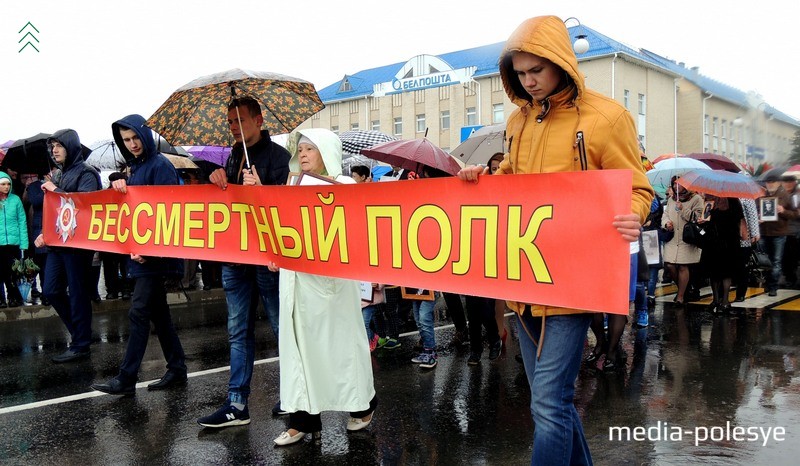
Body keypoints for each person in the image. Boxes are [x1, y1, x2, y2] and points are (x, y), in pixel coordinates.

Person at [457, 15, 653, 465]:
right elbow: (511, 180)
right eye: (520, 73)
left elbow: (639, 188)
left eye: (536, 71)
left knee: (547, 405)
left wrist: (634, 214)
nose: (529, 83)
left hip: (574, 280)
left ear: (561, 63)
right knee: (554, 404)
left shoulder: (608, 116)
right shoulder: (517, 121)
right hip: (524, 280)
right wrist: (480, 178)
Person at [270, 128, 377, 446]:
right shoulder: (290, 185)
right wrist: (272, 251)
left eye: (310, 149)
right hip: (296, 283)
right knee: (299, 352)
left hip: (331, 286)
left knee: (342, 349)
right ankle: (302, 421)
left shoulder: (344, 187)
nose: (302, 154)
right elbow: (279, 226)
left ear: (326, 152)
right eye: (299, 149)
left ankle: (363, 407)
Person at [197, 97, 290, 428]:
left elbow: (290, 208)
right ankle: (237, 403)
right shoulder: (233, 156)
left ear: (259, 120)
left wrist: (262, 189)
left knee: (283, 330)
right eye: (231, 122)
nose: (235, 127)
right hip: (235, 258)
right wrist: (217, 178)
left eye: (240, 120)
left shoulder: (281, 158)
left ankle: (294, 395)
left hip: (267, 259)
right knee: (238, 330)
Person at [91, 114, 187, 396]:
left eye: (135, 138)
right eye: (126, 140)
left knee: (139, 312)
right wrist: (119, 183)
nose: (132, 144)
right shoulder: (134, 167)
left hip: (155, 256)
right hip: (141, 254)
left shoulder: (160, 165)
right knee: (160, 315)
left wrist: (151, 248)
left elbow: (169, 213)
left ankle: (126, 377)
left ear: (145, 135)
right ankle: (177, 368)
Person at [34, 129, 101, 363]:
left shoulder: (87, 173)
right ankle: (81, 334)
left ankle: (81, 344)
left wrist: (56, 191)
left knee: (78, 293)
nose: (54, 150)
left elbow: (84, 206)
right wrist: (44, 233)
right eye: (52, 146)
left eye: (59, 146)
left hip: (78, 245)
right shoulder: (60, 174)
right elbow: (56, 212)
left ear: (71, 147)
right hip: (57, 244)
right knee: (51, 289)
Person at [661, 178, 704, 305]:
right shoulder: (671, 199)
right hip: (673, 238)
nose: (676, 186)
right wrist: (666, 223)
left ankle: (680, 297)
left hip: (687, 238)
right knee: (670, 265)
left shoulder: (696, 199)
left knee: (683, 266)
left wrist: (683, 209)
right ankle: (684, 289)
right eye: (674, 183)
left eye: (679, 183)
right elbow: (666, 215)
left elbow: (699, 217)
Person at [698, 195, 744, 314]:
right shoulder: (734, 200)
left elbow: (706, 219)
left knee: (716, 271)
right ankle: (724, 301)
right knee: (724, 272)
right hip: (727, 240)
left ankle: (717, 300)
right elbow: (739, 219)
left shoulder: (712, 200)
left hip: (716, 240)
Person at [758, 173, 797, 296]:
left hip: (779, 233)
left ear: (778, 183)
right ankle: (768, 283)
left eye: (772, 182)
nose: (770, 184)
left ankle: (773, 286)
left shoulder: (784, 195)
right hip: (764, 232)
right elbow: (756, 211)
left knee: (776, 261)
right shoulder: (760, 195)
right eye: (768, 182)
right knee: (766, 261)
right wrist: (759, 216)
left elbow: (794, 214)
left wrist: (783, 211)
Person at [0, 171, 28, 307]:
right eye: (3, 184)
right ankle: (1, 299)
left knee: (14, 272)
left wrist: (24, 244)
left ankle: (13, 297)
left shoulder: (15, 200)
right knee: (1, 272)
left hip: (13, 243)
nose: (6, 186)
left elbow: (22, 222)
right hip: (0, 243)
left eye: (8, 184)